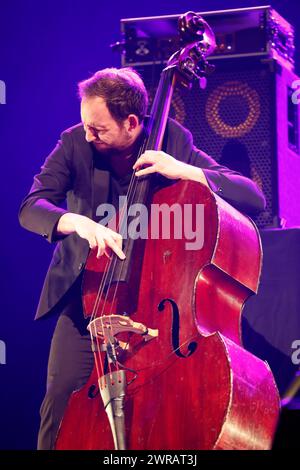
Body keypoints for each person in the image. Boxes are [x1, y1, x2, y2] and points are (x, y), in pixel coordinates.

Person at [19, 67, 266, 450]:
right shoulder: (74, 142)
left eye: (98, 129)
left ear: (132, 123)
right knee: (61, 395)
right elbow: (30, 207)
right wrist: (77, 222)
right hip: (90, 298)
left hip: (155, 299)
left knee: (164, 403)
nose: (88, 135)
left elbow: (253, 197)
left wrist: (186, 170)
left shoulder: (170, 138)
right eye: (85, 125)